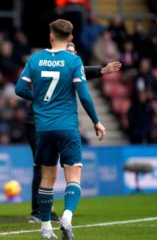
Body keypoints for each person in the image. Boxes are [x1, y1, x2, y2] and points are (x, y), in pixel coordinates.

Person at [15, 19, 106, 239]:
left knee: (47, 178)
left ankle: (45, 228)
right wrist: (95, 120)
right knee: (73, 175)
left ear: (51, 36)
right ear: (71, 38)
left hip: (43, 128)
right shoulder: (73, 61)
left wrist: (38, 99)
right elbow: (84, 95)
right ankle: (66, 217)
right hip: (67, 127)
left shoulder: (35, 59)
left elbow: (19, 88)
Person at [26, 41, 121, 224]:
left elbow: (79, 70)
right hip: (36, 123)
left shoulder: (66, 65)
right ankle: (38, 211)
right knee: (43, 169)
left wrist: (101, 70)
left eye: (72, 52)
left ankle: (44, 214)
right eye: (67, 51)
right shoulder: (57, 65)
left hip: (52, 125)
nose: (70, 55)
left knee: (50, 169)